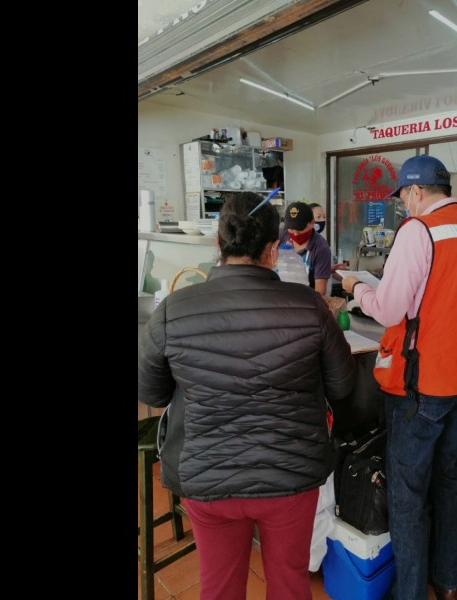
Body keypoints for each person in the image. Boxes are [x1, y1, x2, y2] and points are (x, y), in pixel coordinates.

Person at [138, 190, 357, 600]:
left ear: (218, 243)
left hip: (209, 476)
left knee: (219, 589)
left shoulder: (172, 310)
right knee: (290, 586)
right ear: (273, 250)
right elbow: (344, 386)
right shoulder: (310, 307)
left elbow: (152, 391)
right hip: (291, 476)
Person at [341, 155, 457, 600]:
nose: (404, 205)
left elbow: (390, 309)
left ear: (415, 191)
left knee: (408, 492)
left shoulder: (419, 230)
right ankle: (446, 583)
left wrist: (357, 288)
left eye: (404, 197)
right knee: (448, 480)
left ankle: (409, 593)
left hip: (421, 385)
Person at [280, 201, 333, 295]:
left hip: (306, 299)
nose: (295, 234)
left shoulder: (321, 248)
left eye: (300, 230)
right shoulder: (281, 235)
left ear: (312, 223)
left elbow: (320, 293)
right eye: (291, 229)